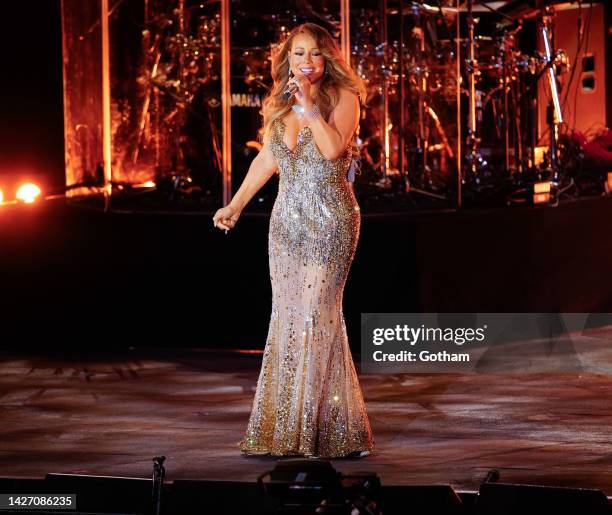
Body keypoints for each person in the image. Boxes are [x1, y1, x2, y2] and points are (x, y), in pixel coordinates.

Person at [213, 22, 374, 458]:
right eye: (299, 54)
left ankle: (319, 431)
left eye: (316, 54)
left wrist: (307, 109)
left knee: (318, 316)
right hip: (287, 224)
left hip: (330, 221)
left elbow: (330, 150)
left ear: (329, 59)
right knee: (288, 317)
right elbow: (268, 160)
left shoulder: (345, 98)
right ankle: (292, 427)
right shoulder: (280, 107)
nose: (307, 62)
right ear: (288, 60)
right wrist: (236, 205)